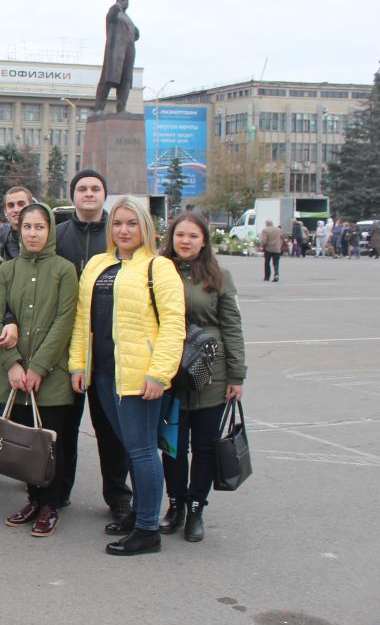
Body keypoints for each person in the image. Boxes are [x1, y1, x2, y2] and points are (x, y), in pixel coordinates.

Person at [69, 196, 186, 556]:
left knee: (142, 450)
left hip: (139, 376)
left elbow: (173, 326)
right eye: (118, 223)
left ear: (145, 228)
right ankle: (140, 512)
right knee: (129, 447)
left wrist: (159, 374)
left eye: (131, 223)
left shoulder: (159, 267)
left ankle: (148, 529)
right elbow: (81, 319)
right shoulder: (97, 265)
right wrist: (78, 364)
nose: (123, 230)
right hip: (103, 373)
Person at [0, 203, 78, 537]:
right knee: (23, 441)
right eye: (28, 227)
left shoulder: (64, 270)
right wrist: (12, 364)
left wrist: (39, 366)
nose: (33, 233)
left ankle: (50, 504)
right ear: (19, 229)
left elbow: (63, 321)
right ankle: (32, 498)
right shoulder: (7, 270)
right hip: (15, 374)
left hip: (50, 373)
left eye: (40, 227)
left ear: (50, 230)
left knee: (50, 442)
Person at [159, 212, 247, 543]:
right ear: (172, 238)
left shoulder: (219, 276)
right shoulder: (159, 270)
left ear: (204, 241)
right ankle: (176, 504)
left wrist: (236, 375)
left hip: (211, 371)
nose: (185, 241)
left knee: (206, 446)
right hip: (171, 372)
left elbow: (232, 327)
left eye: (193, 236)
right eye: (180, 235)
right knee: (172, 447)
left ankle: (196, 507)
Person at [54, 170, 132, 517]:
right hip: (65, 348)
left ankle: (118, 495)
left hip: (108, 350)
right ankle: (58, 489)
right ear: (73, 196)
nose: (88, 193)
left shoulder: (119, 238)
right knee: (64, 428)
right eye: (82, 188)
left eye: (95, 188)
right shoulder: (58, 235)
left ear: (105, 195)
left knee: (111, 429)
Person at [93, 0, 140, 114]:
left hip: (129, 50)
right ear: (117, 1)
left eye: (127, 1)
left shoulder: (128, 18)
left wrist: (136, 32)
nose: (125, 2)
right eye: (123, 0)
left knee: (126, 80)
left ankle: (121, 108)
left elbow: (133, 36)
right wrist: (116, 6)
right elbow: (111, 15)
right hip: (116, 50)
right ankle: (99, 108)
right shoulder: (115, 13)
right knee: (109, 79)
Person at [0, 186, 35, 262]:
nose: (16, 210)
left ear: (32, 207)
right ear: (5, 211)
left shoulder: (45, 240)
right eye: (11, 205)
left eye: (21, 204)